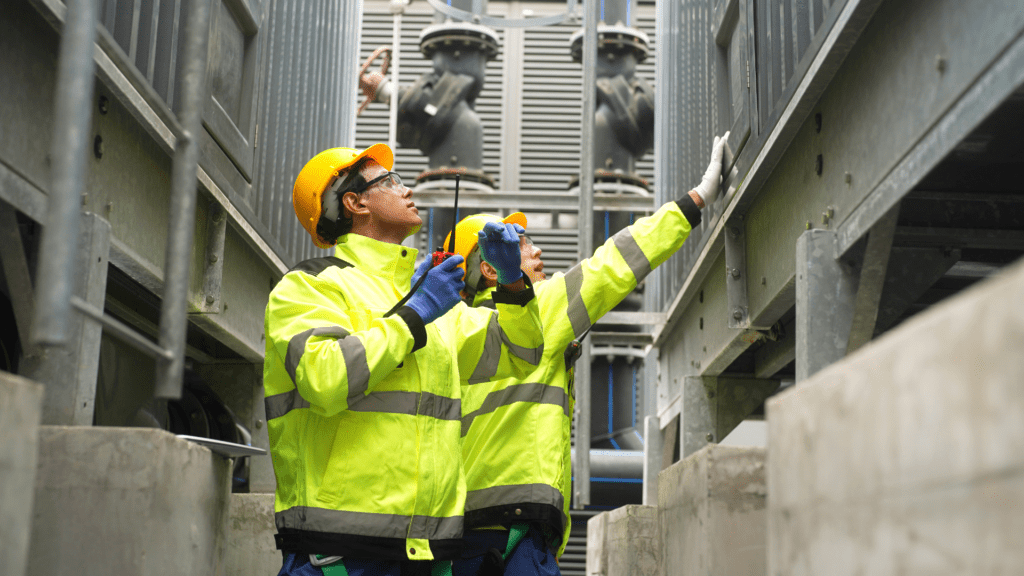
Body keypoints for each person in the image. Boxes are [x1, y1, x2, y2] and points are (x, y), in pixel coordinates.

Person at [450, 133, 731, 575]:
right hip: (518, 530)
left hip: (461, 535)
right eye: (520, 244)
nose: (538, 250)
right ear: (490, 266)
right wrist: (695, 201)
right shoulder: (537, 308)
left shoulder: (455, 327)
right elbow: (614, 264)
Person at [264, 143, 545, 576]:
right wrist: (414, 314)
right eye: (390, 181)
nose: (407, 189)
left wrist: (510, 283)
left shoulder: (432, 297)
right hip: (339, 555)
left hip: (427, 554)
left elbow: (521, 353)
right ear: (355, 203)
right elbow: (325, 377)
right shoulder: (311, 285)